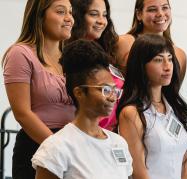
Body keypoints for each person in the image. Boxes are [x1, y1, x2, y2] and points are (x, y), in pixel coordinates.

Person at [32, 39, 132, 179]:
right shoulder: (57, 147)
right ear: (79, 93)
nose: (112, 97)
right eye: (105, 90)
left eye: (115, 90)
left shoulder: (118, 143)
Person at [2, 0, 75, 178]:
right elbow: (22, 113)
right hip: (37, 146)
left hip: (72, 146)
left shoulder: (72, 56)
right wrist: (59, 148)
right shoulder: (20, 53)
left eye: (70, 12)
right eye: (60, 12)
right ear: (39, 16)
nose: (69, 19)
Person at [117, 34, 187, 179]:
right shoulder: (131, 113)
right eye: (158, 60)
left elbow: (184, 165)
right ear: (141, 65)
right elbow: (138, 172)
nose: (167, 66)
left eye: (170, 59)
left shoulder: (174, 108)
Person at [67, 0, 123, 130]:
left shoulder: (108, 50)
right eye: (94, 14)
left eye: (104, 15)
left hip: (112, 136)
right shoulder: (70, 56)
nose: (101, 21)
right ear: (78, 16)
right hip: (84, 136)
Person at [116, 0, 187, 85]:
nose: (160, 14)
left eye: (165, 7)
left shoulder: (180, 54)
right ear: (139, 14)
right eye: (152, 9)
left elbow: (173, 93)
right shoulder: (124, 43)